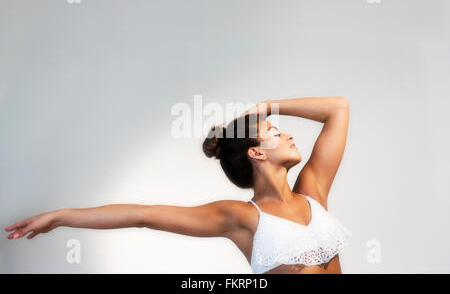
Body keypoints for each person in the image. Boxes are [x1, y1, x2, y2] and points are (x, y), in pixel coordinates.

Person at [5, 96, 351, 274]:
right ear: (256, 152)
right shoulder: (244, 218)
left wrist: (268, 107)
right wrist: (60, 216)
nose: (288, 133)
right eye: (275, 132)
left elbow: (338, 108)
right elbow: (145, 215)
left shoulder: (312, 190)